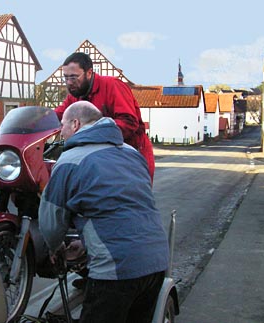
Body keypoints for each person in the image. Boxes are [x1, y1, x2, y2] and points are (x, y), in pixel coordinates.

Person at [39, 101, 169, 323]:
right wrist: (86, 241)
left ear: (75, 124)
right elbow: (122, 207)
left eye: (63, 125)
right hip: (156, 262)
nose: (61, 131)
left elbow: (52, 219)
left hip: (116, 271)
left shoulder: (70, 160)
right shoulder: (131, 153)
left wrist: (55, 247)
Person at [55, 52, 155, 183]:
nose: (69, 83)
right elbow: (59, 114)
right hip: (101, 156)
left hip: (130, 156)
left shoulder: (113, 86)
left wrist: (91, 131)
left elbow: (129, 122)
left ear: (89, 73)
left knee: (128, 199)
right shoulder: (76, 94)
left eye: (74, 77)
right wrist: (35, 119)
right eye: (66, 77)